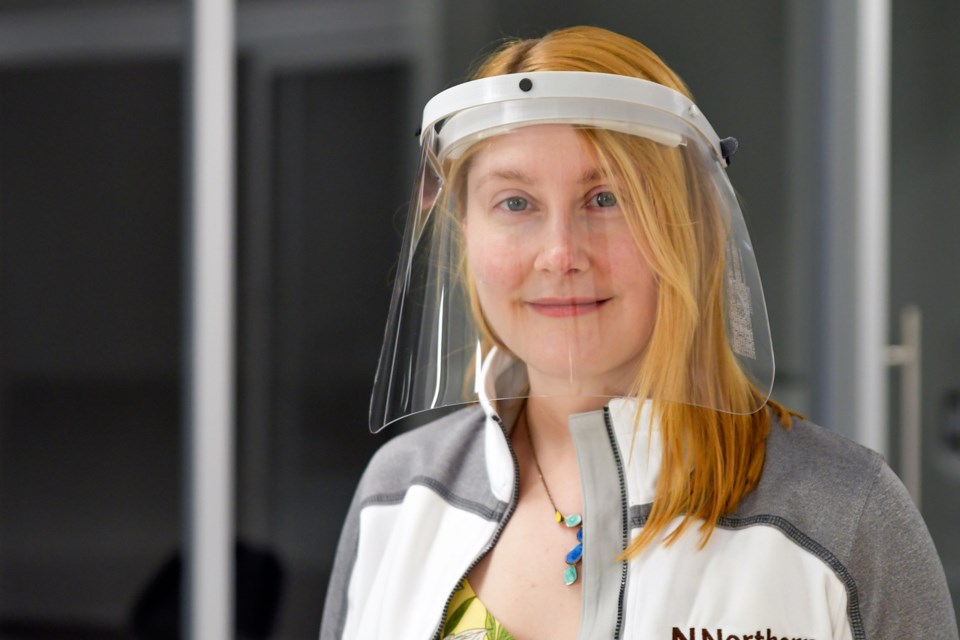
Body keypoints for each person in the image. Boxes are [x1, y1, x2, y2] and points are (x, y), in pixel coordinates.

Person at [320, 26, 957, 640]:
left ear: (693, 228)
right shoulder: (398, 494)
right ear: (466, 233)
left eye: (607, 199)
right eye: (514, 203)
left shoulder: (844, 514)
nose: (559, 254)